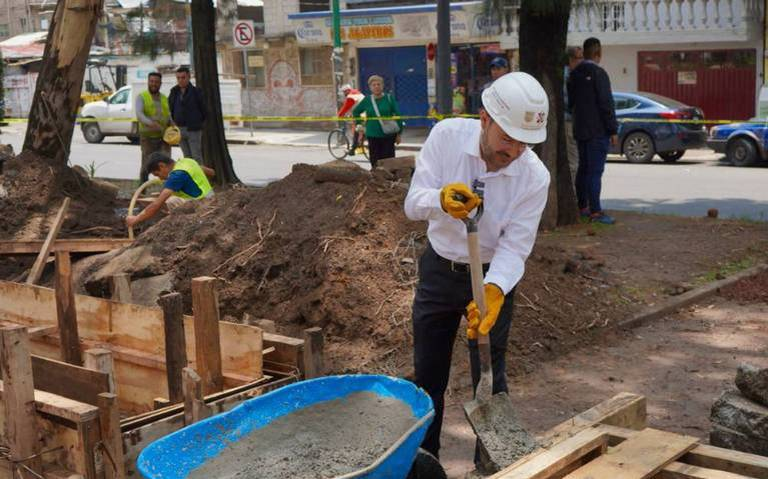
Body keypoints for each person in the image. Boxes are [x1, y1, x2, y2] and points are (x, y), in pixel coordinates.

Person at [404, 72, 550, 469]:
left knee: (489, 372)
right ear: (484, 119)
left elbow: (516, 246)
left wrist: (495, 289)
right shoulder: (447, 137)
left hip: (489, 278)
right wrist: (439, 198)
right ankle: (424, 461)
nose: (515, 150)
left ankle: (488, 465)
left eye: (525, 142)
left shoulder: (533, 176)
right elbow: (412, 204)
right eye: (508, 139)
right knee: (428, 376)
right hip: (440, 267)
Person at [567, 37, 618, 225]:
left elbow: (570, 102)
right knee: (595, 172)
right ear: (598, 54)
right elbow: (606, 103)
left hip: (580, 129)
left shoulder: (573, 75)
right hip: (598, 130)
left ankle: (583, 207)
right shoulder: (599, 73)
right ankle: (596, 211)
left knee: (583, 169)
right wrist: (613, 129)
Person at [125, 152, 215, 228]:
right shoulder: (187, 161)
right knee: (173, 197)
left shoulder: (176, 176)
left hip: (202, 207)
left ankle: (184, 227)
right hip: (212, 199)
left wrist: (135, 219)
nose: (160, 178)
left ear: (162, 165)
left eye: (157, 174)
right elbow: (211, 172)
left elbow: (157, 204)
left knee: (171, 201)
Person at [352, 75, 403, 168]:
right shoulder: (367, 100)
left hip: (388, 135)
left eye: (378, 84)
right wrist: (360, 126)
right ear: (370, 87)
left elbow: (398, 115)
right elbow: (356, 112)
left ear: (382, 86)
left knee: (389, 162)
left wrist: (399, 133)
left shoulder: (389, 98)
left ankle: (389, 181)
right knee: (375, 162)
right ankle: (377, 181)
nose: (376, 87)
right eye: (373, 85)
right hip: (373, 136)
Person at [136, 72, 172, 183]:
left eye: (156, 82)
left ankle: (167, 191)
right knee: (146, 166)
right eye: (151, 81)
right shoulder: (142, 97)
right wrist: (151, 123)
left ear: (160, 83)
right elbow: (139, 114)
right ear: (148, 82)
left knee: (167, 166)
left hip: (164, 138)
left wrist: (173, 124)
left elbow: (168, 115)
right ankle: (142, 192)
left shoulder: (165, 98)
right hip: (148, 138)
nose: (153, 84)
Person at [168, 66, 207, 162]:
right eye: (178, 78)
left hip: (193, 129)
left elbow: (204, 110)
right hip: (179, 129)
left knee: (196, 156)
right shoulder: (174, 91)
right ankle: (189, 176)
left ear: (189, 77)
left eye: (183, 77)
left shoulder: (196, 92)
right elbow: (170, 107)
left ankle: (199, 176)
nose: (180, 80)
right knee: (187, 157)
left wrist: (198, 122)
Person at [564, 46, 583, 185]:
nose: (581, 61)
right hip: (569, 122)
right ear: (571, 59)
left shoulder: (572, 74)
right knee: (573, 162)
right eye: (578, 58)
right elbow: (567, 101)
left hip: (571, 121)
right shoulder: (568, 76)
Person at [337, 84, 365, 156]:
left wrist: (339, 115)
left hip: (362, 116)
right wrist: (350, 114)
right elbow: (355, 106)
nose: (344, 94)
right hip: (365, 113)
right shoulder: (357, 93)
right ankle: (360, 142)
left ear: (346, 91)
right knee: (360, 130)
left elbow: (345, 107)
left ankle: (353, 150)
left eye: (344, 92)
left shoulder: (350, 96)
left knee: (357, 130)